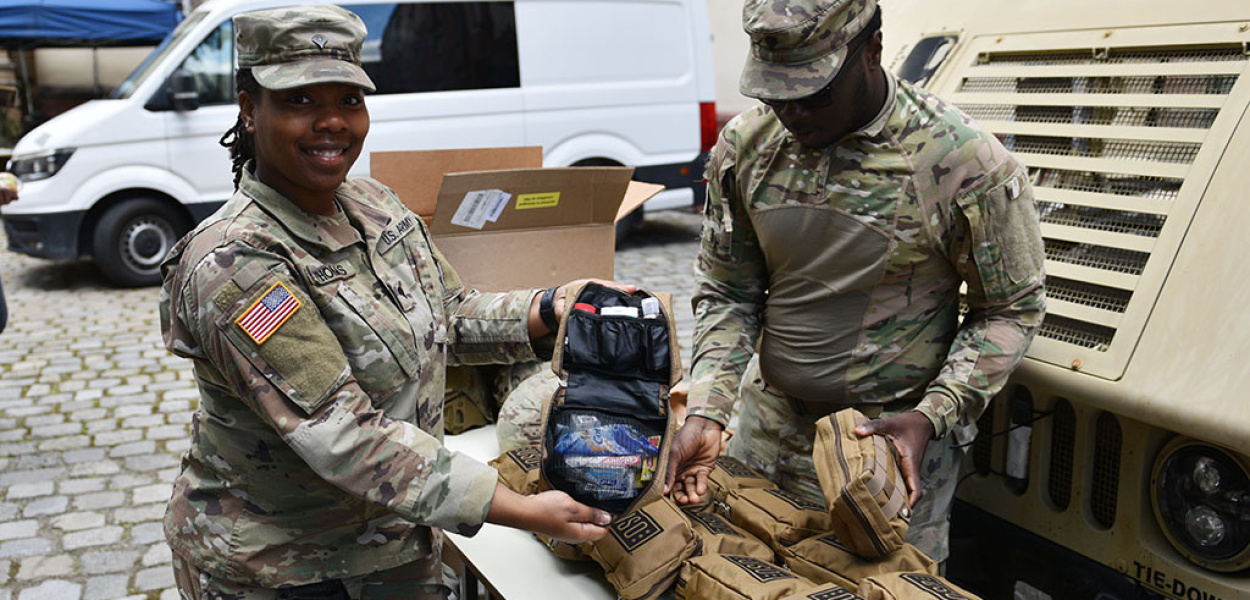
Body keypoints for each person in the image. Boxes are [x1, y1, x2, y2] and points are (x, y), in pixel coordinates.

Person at [158, 6, 620, 598]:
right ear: (249, 109)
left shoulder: (373, 204)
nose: (332, 121)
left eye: (349, 100)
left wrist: (554, 306)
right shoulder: (237, 262)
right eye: (300, 100)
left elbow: (448, 313)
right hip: (285, 569)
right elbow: (342, 432)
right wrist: (518, 508)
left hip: (391, 542)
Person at [664, 0, 1046, 566]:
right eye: (775, 94)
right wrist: (708, 409)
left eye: (814, 93)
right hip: (765, 439)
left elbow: (1011, 308)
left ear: (872, 51)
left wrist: (932, 414)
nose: (792, 113)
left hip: (883, 458)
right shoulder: (747, 148)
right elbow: (728, 291)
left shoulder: (960, 161)